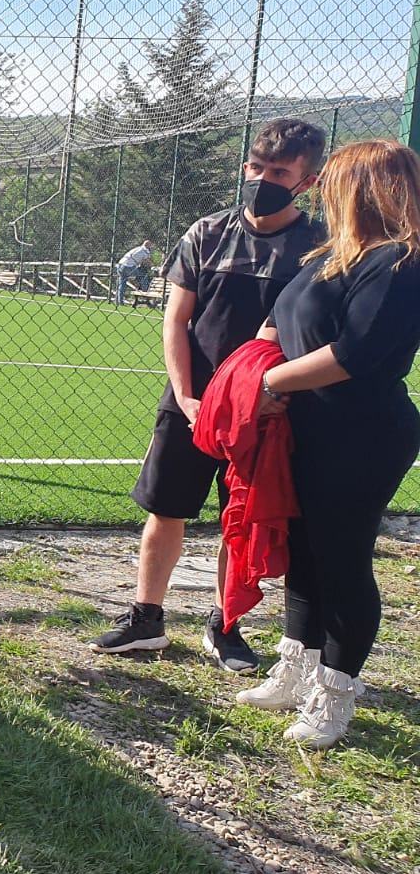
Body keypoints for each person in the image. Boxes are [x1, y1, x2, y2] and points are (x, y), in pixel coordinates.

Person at [89, 118, 326, 672]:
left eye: (280, 173)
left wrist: (267, 395)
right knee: (165, 507)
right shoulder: (207, 232)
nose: (263, 180)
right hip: (193, 401)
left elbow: (309, 329)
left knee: (239, 516)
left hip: (268, 408)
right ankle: (145, 618)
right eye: (257, 168)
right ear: (246, 166)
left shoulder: (316, 246)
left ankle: (225, 626)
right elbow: (177, 321)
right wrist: (187, 395)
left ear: (307, 182)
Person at [233, 139, 420, 748]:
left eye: (333, 180)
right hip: (306, 427)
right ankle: (296, 668)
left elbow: (355, 354)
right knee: (304, 553)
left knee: (342, 559)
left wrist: (267, 382)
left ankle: (336, 694)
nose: (322, 191)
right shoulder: (330, 254)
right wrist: (253, 368)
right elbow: (281, 319)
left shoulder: (399, 261)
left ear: (366, 189)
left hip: (361, 434)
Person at [114, 239, 156, 306]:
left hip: (120, 265)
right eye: (150, 245)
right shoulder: (145, 251)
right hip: (129, 267)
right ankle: (146, 292)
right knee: (143, 275)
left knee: (121, 285)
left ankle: (120, 303)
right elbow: (148, 261)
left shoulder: (137, 248)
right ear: (148, 245)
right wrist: (154, 266)